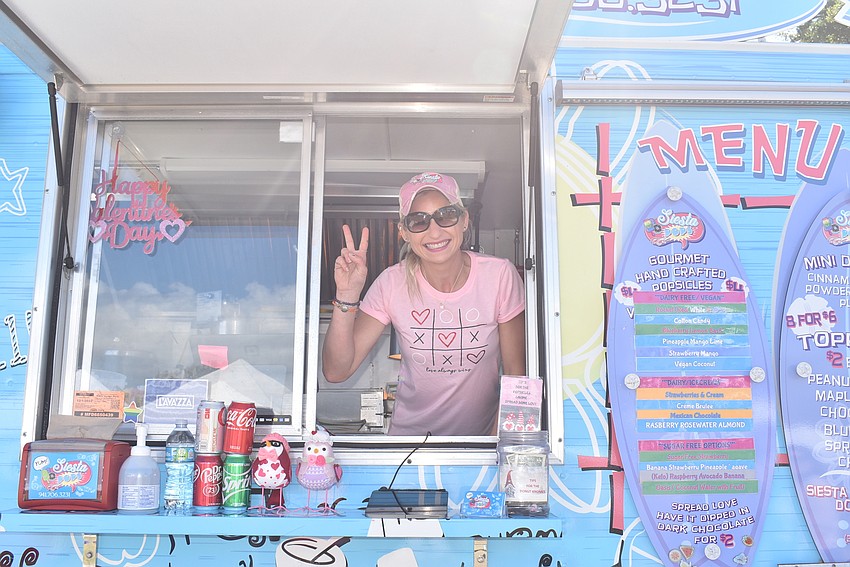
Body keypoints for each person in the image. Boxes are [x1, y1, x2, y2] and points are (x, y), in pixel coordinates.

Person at [322, 172, 526, 436]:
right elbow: (337, 371)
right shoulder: (391, 283)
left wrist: (493, 448)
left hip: (480, 447)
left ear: (464, 221)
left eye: (446, 216)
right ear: (404, 232)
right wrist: (347, 294)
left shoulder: (499, 276)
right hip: (408, 449)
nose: (434, 231)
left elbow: (516, 376)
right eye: (419, 221)